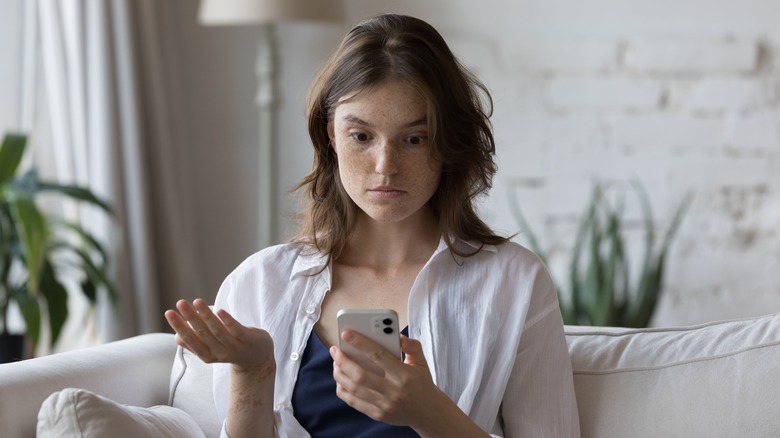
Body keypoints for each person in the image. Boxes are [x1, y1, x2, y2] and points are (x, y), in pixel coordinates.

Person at [165, 13, 580, 438]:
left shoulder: (513, 282)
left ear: (448, 145)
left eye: (414, 139)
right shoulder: (260, 283)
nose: (386, 166)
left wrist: (430, 412)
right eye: (361, 137)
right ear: (331, 136)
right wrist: (254, 372)